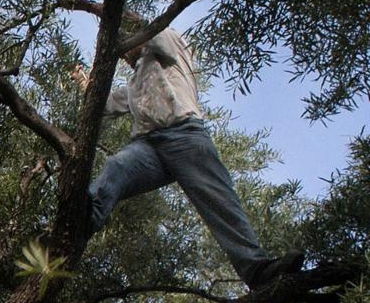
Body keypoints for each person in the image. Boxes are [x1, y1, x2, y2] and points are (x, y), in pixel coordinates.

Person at [80, 24, 302, 288]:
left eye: (127, 47)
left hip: (184, 134)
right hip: (149, 146)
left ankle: (257, 270)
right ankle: (83, 220)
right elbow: (103, 106)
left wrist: (104, 12)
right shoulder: (132, 85)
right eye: (122, 53)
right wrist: (85, 83)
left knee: (218, 199)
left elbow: (154, 30)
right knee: (117, 165)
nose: (125, 56)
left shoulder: (170, 49)